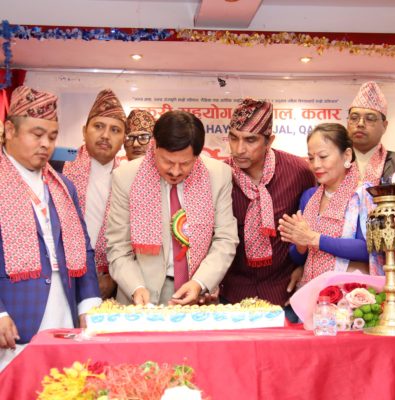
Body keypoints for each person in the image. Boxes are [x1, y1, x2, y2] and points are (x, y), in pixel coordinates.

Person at [0, 86, 101, 370]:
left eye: (53, 136)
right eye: (37, 134)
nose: (46, 144)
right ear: (10, 130)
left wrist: (88, 303)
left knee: (64, 384)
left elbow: (84, 248)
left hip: (64, 310)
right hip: (13, 318)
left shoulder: (62, 185)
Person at [106, 110, 238, 306]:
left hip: (198, 295)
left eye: (185, 163)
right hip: (141, 297)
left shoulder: (218, 175)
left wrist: (200, 282)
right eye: (167, 161)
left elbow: (225, 239)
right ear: (154, 147)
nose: (175, 171)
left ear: (197, 156)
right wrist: (135, 287)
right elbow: (118, 246)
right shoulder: (126, 177)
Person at [219, 98, 315, 313]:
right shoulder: (220, 175)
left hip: (285, 292)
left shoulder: (299, 172)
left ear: (269, 141)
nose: (239, 149)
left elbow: (313, 224)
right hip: (231, 294)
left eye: (250, 140)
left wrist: (304, 266)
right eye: (233, 138)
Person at [278, 123, 379, 286]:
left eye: (323, 156)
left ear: (347, 155)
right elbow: (298, 257)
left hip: (351, 292)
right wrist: (300, 245)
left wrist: (314, 238)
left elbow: (369, 248)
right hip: (311, 290)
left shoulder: (365, 195)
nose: (315, 165)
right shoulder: (309, 196)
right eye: (311, 158)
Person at [63, 89, 126, 300]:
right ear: (84, 131)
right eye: (98, 126)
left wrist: (114, 278)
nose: (105, 135)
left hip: (110, 282)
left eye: (115, 130)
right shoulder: (58, 171)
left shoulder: (131, 179)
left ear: (123, 139)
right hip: (63, 277)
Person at [347, 81, 395, 185]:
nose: (360, 124)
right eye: (354, 118)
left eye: (370, 119)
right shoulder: (333, 161)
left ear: (384, 126)